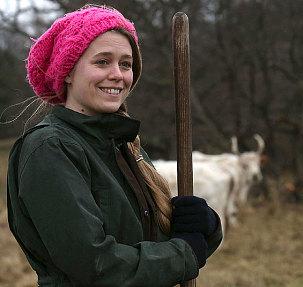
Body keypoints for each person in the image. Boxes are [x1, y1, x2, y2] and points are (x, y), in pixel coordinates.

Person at [7, 4, 222, 286]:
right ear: (68, 71)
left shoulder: (124, 145)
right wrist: (184, 254)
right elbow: (95, 265)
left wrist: (204, 226)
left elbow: (158, 243)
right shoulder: (51, 148)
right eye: (102, 62)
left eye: (126, 64)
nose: (118, 74)